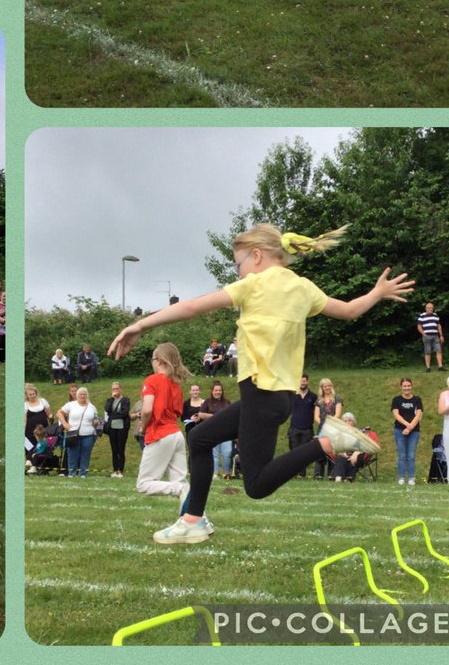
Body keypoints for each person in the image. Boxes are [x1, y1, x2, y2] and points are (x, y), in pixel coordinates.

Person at [108, 223, 412, 545]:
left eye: (238, 265)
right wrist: (377, 293)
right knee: (199, 437)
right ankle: (193, 520)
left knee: (255, 484)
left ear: (256, 256)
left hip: (262, 395)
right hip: (274, 397)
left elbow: (193, 306)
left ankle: (325, 443)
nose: (238, 273)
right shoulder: (303, 287)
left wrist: (140, 324)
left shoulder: (253, 285)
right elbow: (350, 310)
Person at [135, 342, 189, 499]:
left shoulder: (152, 380)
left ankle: (182, 490)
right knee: (180, 481)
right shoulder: (176, 385)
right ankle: (193, 519)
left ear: (158, 360)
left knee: (144, 484)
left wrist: (142, 428)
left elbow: (147, 409)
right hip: (176, 435)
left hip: (160, 434)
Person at [57, 385, 100, 477]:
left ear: (87, 395)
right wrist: (65, 424)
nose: (82, 396)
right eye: (80, 394)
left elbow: (96, 419)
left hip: (88, 434)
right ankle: (71, 473)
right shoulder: (71, 405)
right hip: (73, 433)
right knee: (72, 454)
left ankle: (83, 473)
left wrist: (96, 422)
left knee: (85, 454)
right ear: (77, 395)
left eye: (84, 394)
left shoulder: (92, 407)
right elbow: (59, 413)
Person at [391, 376, 423, 485]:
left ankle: (411, 478)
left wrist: (409, 428)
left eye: (408, 385)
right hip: (399, 431)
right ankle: (401, 477)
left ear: (412, 386)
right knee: (402, 455)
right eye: (404, 386)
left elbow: (418, 415)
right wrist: (406, 425)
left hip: (414, 431)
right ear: (401, 387)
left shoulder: (417, 400)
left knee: (411, 455)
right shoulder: (396, 400)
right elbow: (396, 414)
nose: (407, 388)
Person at [198, 381, 233, 478]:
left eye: (220, 390)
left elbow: (232, 415)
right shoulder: (207, 402)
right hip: (212, 432)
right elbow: (201, 414)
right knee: (215, 454)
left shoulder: (227, 402)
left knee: (228, 453)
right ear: (212, 391)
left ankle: (227, 473)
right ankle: (215, 473)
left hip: (226, 432)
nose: (218, 392)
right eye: (216, 390)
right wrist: (214, 416)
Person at [330, 413, 378, 482]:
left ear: (354, 422)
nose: (347, 423)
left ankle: (348, 478)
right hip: (346, 454)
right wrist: (343, 453)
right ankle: (339, 478)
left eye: (350, 421)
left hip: (360, 454)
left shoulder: (360, 431)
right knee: (340, 458)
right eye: (345, 421)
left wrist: (355, 454)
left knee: (354, 459)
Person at [313, 377, 343, 479]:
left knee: (332, 451)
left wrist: (329, 424)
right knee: (320, 451)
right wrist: (322, 423)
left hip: (333, 428)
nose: (327, 387)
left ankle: (332, 474)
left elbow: (338, 414)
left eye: (329, 385)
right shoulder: (319, 400)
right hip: (321, 429)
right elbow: (316, 416)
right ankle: (318, 474)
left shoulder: (337, 399)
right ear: (322, 387)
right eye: (325, 386)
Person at [288, 374, 317, 476]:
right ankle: (293, 474)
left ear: (307, 382)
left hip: (307, 429)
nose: (303, 383)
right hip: (294, 427)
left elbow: (317, 411)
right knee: (294, 452)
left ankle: (302, 474)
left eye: (304, 381)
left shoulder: (313, 397)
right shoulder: (293, 395)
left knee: (304, 454)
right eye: (301, 381)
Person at [104, 381, 131, 477]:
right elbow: (107, 410)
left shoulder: (125, 400)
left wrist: (114, 415)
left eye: (117, 388)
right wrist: (112, 398)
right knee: (114, 449)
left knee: (121, 449)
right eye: (113, 389)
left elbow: (125, 412)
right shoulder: (109, 400)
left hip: (122, 427)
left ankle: (121, 470)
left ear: (120, 389)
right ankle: (115, 470)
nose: (115, 390)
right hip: (112, 427)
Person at [25, 383, 53, 466]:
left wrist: (51, 417)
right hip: (30, 431)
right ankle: (29, 462)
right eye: (30, 394)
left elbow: (49, 414)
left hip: (43, 430)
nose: (32, 396)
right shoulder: (25, 405)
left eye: (33, 394)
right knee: (30, 447)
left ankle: (41, 466)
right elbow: (24, 420)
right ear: (27, 395)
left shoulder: (43, 401)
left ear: (36, 393)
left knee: (42, 447)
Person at [417, 301, 445, 371]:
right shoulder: (422, 316)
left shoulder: (435, 315)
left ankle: (440, 366)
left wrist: (441, 335)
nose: (431, 309)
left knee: (439, 350)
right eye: (429, 308)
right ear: (426, 308)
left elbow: (439, 325)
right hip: (427, 336)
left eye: (432, 308)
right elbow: (419, 326)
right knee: (428, 352)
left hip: (435, 335)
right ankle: (428, 367)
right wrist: (424, 334)